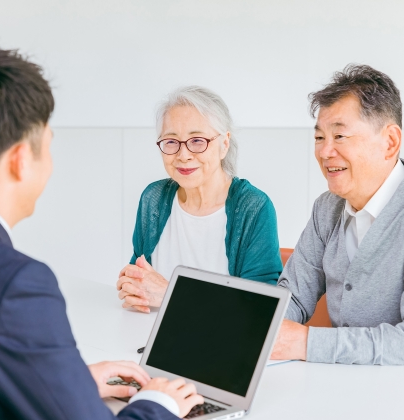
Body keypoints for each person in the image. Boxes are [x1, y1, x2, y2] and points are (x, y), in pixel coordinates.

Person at [0, 40, 203, 420]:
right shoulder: (16, 284)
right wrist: (158, 403)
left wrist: (69, 384)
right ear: (20, 161)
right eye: (47, 146)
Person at [271, 64, 404, 375]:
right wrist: (258, 328)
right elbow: (293, 298)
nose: (325, 151)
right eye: (319, 137)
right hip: (358, 382)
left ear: (390, 143)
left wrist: (304, 342)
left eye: (339, 135)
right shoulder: (327, 209)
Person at [117, 86, 283, 313]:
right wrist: (132, 286)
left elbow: (259, 310)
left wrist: (171, 294)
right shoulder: (153, 199)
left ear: (224, 144)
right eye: (171, 142)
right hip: (146, 339)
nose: (183, 155)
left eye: (197, 141)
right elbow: (139, 278)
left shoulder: (253, 208)